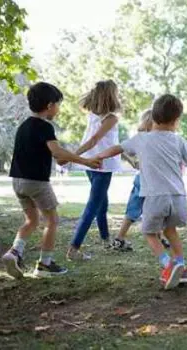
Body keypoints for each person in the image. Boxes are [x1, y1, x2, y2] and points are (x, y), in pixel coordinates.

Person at [97, 94, 187, 289]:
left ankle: (168, 265)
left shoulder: (141, 139)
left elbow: (117, 148)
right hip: (178, 197)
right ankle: (181, 266)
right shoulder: (179, 140)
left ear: (153, 118)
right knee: (170, 230)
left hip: (155, 196)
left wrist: (99, 156)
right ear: (176, 121)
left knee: (149, 232)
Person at [2, 82, 101, 278]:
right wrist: (85, 161)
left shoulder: (23, 126)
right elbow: (56, 152)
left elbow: (48, 153)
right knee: (52, 220)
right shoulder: (45, 127)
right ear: (49, 106)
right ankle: (45, 264)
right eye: (58, 104)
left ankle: (14, 252)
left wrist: (65, 158)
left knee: (31, 220)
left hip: (18, 182)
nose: (58, 108)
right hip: (37, 183)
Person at [64, 80, 123, 261]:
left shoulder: (93, 115)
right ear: (111, 95)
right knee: (93, 206)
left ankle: (106, 240)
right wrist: (71, 155)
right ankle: (74, 248)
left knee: (101, 204)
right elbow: (94, 141)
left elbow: (111, 142)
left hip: (90, 163)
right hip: (101, 164)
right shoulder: (111, 118)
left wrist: (76, 156)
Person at [111, 110, 170, 252]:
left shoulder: (140, 138)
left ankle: (120, 238)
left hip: (142, 177)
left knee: (133, 209)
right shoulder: (160, 139)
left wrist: (133, 161)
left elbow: (122, 149)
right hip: (151, 180)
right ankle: (158, 237)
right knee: (155, 208)